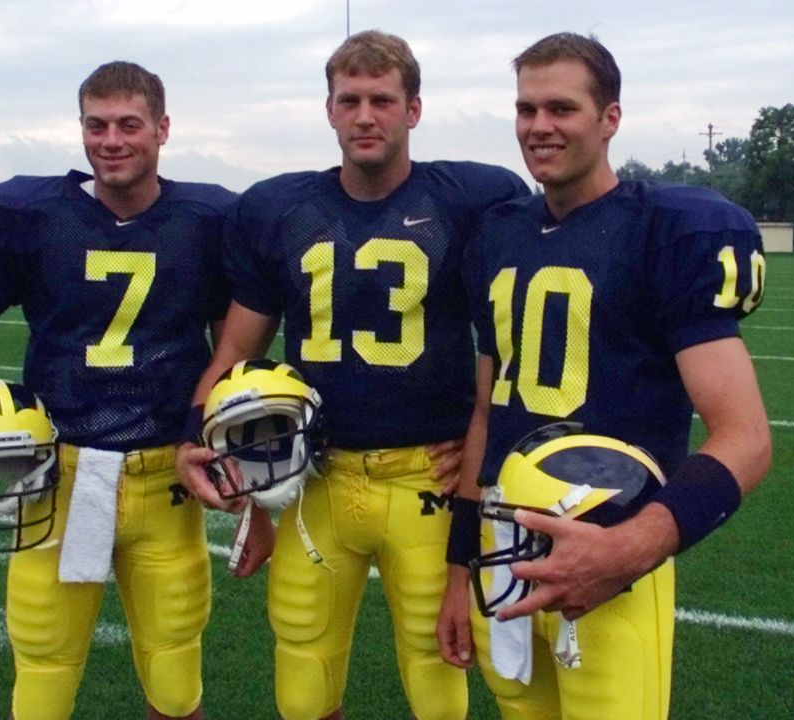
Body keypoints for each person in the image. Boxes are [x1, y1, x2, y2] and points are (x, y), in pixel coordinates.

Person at [176, 30, 529, 720]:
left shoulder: (475, 198)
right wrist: (198, 433)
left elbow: (512, 343)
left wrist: (489, 444)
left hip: (425, 474)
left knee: (436, 682)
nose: (366, 115)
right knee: (303, 680)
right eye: (350, 100)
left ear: (413, 109)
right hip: (317, 477)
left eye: (382, 99)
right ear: (330, 111)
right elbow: (235, 354)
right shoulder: (280, 209)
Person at [435, 32, 773, 720]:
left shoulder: (665, 229)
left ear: (609, 118)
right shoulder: (497, 236)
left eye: (561, 108)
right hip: (505, 547)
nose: (539, 127)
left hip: (612, 541)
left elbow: (747, 438)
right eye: (526, 109)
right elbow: (486, 410)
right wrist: (457, 566)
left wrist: (627, 549)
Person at [0, 61, 235, 720]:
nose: (111, 140)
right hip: (61, 475)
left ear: (162, 129)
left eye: (128, 124)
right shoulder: (35, 217)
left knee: (175, 684)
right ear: (80, 129)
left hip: (166, 475)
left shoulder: (208, 220)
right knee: (43, 682)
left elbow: (231, 353)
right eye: (96, 124)